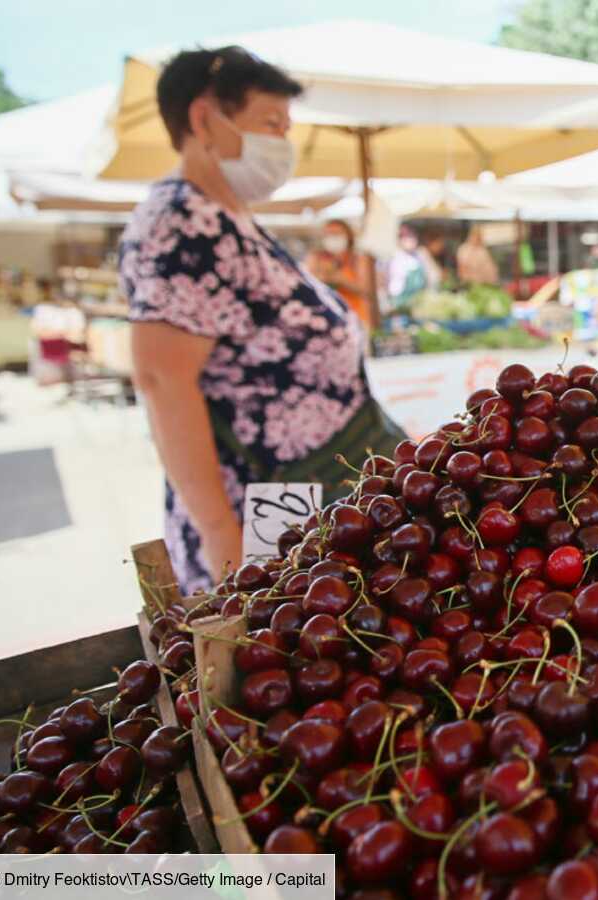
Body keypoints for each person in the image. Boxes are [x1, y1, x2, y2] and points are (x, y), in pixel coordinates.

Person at [120, 46, 405, 594]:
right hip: (261, 504)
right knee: (282, 638)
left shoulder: (230, 218)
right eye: (270, 124)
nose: (283, 144)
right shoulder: (182, 221)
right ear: (204, 119)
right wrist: (221, 533)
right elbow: (162, 380)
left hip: (304, 492)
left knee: (319, 631)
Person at [304, 219, 375, 331]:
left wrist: (339, 278)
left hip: (355, 319)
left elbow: (366, 290)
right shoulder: (316, 258)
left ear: (348, 236)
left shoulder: (359, 259)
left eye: (337, 233)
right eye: (329, 234)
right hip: (326, 320)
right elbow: (308, 285)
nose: (333, 237)